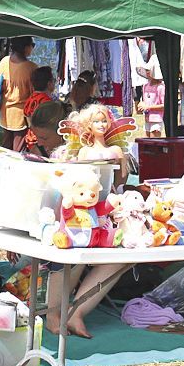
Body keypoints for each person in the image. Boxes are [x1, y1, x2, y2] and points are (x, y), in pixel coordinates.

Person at [44, 104, 136, 339]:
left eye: (105, 121)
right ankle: (54, 313)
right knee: (72, 256)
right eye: (96, 121)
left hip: (105, 213)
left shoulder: (115, 150)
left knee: (122, 258)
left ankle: (75, 311)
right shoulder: (82, 153)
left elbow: (120, 180)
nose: (102, 125)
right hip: (79, 213)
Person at [0, 37, 35, 152]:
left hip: (5, 112)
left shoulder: (4, 61)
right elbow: (34, 92)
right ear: (25, 47)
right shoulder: (31, 68)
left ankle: (4, 169)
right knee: (18, 150)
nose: (33, 48)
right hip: (21, 115)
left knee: (6, 147)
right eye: (32, 45)